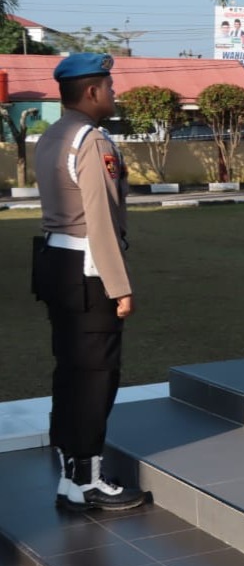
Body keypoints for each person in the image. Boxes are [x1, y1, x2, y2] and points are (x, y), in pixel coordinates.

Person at [31, 52, 144, 510]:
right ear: (93, 91)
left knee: (71, 371)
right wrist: (120, 286)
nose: (114, 95)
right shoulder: (91, 141)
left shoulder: (51, 137)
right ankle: (86, 481)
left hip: (56, 263)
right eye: (110, 88)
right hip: (88, 268)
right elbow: (100, 218)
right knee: (96, 376)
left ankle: (69, 475)